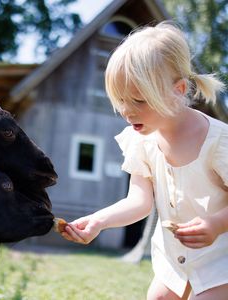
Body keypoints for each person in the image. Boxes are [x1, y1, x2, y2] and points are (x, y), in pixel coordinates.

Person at [61, 21, 228, 300]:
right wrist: (98, 221)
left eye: (139, 101)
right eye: (121, 100)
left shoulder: (218, 141)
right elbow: (139, 201)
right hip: (174, 261)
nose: (127, 111)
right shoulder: (142, 141)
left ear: (178, 90)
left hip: (220, 259)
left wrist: (217, 224)